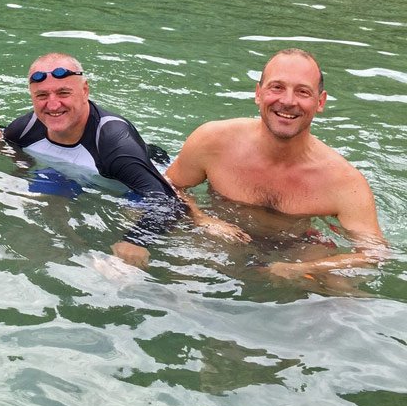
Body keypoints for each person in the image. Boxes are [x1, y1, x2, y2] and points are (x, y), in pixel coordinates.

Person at [165, 48, 388, 278]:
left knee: (340, 292)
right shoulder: (213, 141)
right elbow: (166, 185)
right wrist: (202, 219)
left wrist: (303, 269)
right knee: (182, 272)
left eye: (302, 92)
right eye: (277, 87)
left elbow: (374, 253)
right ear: (258, 93)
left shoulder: (344, 182)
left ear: (320, 102)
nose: (288, 101)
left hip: (298, 248)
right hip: (221, 234)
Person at [4, 53, 183, 268]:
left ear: (85, 91)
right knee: (40, 208)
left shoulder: (115, 144)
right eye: (42, 95)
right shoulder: (21, 131)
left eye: (63, 93)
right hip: (73, 177)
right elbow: (14, 155)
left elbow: (167, 202)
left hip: (135, 186)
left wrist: (136, 240)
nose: (52, 105)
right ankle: (76, 254)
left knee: (136, 243)